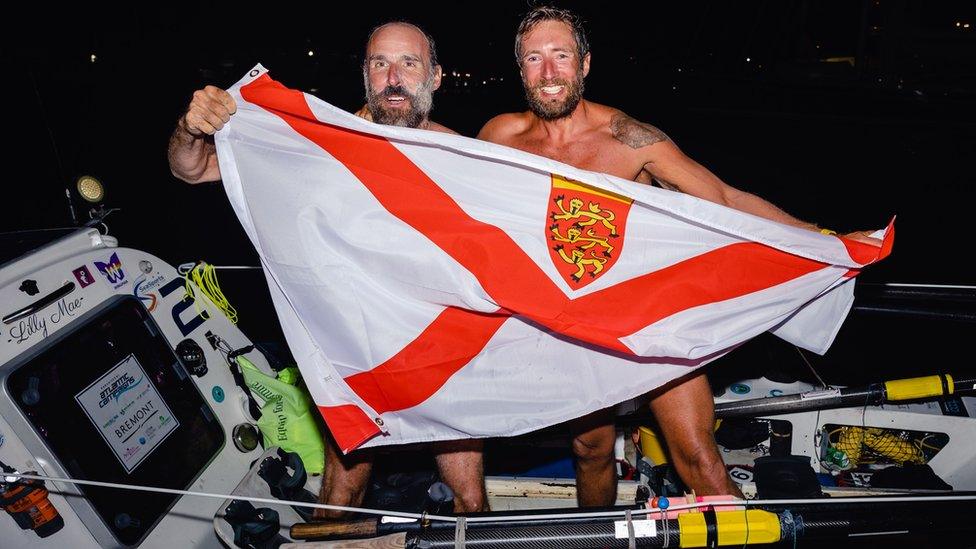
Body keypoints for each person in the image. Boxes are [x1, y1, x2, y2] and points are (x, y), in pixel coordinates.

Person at [478, 6, 880, 506]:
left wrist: (826, 238)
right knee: (591, 448)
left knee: (698, 457)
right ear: (520, 71)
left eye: (560, 55)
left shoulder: (627, 138)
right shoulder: (501, 138)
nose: (548, 71)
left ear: (584, 64)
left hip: (652, 315)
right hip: (570, 322)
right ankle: (603, 540)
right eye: (534, 59)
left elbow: (726, 199)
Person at [167, 21, 488, 516]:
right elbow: (189, 168)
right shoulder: (317, 141)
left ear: (437, 77)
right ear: (365, 75)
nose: (394, 78)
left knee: (469, 499)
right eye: (380, 64)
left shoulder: (456, 155)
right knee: (341, 498)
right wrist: (192, 127)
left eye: (409, 63)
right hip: (352, 347)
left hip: (433, 346)